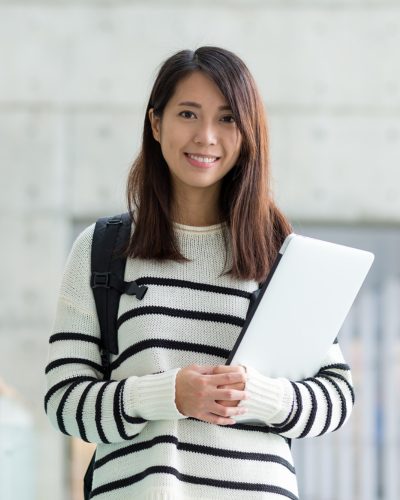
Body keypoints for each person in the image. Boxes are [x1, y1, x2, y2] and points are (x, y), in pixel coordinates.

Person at [44, 46, 354, 500]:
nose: (206, 136)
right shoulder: (103, 249)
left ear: (248, 133)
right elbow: (64, 402)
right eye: (188, 113)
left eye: (227, 118)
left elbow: (335, 398)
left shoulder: (277, 256)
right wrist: (168, 394)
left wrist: (257, 396)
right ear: (156, 123)